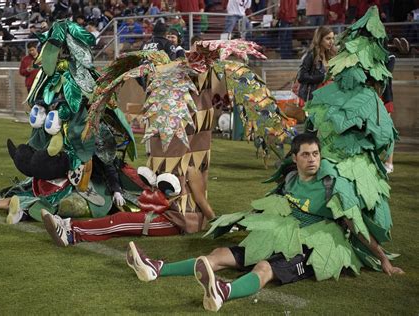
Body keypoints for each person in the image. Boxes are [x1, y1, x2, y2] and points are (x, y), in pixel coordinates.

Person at [126, 133, 404, 312]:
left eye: (316, 154)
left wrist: (384, 260)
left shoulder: (331, 188)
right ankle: (157, 269)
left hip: (314, 242)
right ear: (294, 158)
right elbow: (274, 207)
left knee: (265, 267)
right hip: (281, 233)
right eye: (305, 154)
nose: (312, 160)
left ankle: (224, 291)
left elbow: (355, 226)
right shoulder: (291, 180)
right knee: (219, 255)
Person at [41, 166, 216, 246]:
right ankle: (69, 226)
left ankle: (71, 233)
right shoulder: (165, 159)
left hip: (174, 222)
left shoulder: (191, 169)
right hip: (158, 213)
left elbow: (202, 202)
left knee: (120, 220)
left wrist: (218, 224)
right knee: (119, 223)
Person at [297, 25, 336, 102]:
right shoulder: (311, 56)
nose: (331, 42)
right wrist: (323, 77)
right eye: (328, 38)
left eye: (333, 38)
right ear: (320, 39)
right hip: (313, 98)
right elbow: (302, 77)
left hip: (328, 96)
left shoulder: (332, 55)